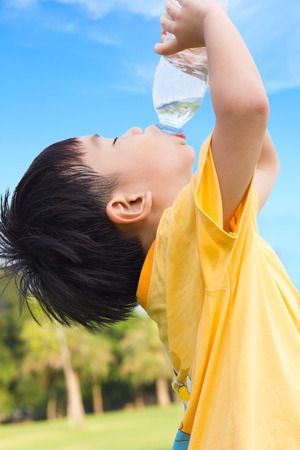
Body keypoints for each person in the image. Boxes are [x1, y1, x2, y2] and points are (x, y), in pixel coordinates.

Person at [0, 0, 299, 447]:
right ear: (130, 204)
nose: (137, 129)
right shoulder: (190, 236)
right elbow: (246, 110)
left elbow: (261, 166)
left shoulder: (191, 262)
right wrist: (211, 23)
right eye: (116, 141)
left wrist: (210, 58)